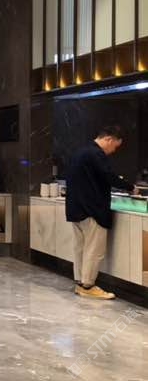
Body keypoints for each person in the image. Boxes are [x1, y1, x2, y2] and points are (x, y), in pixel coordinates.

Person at [65, 125, 135, 299]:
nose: (114, 151)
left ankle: (80, 282)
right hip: (92, 209)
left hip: (76, 208)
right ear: (109, 139)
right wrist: (130, 187)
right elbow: (109, 176)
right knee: (94, 250)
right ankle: (88, 286)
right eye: (115, 146)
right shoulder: (96, 154)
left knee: (80, 248)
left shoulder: (80, 152)